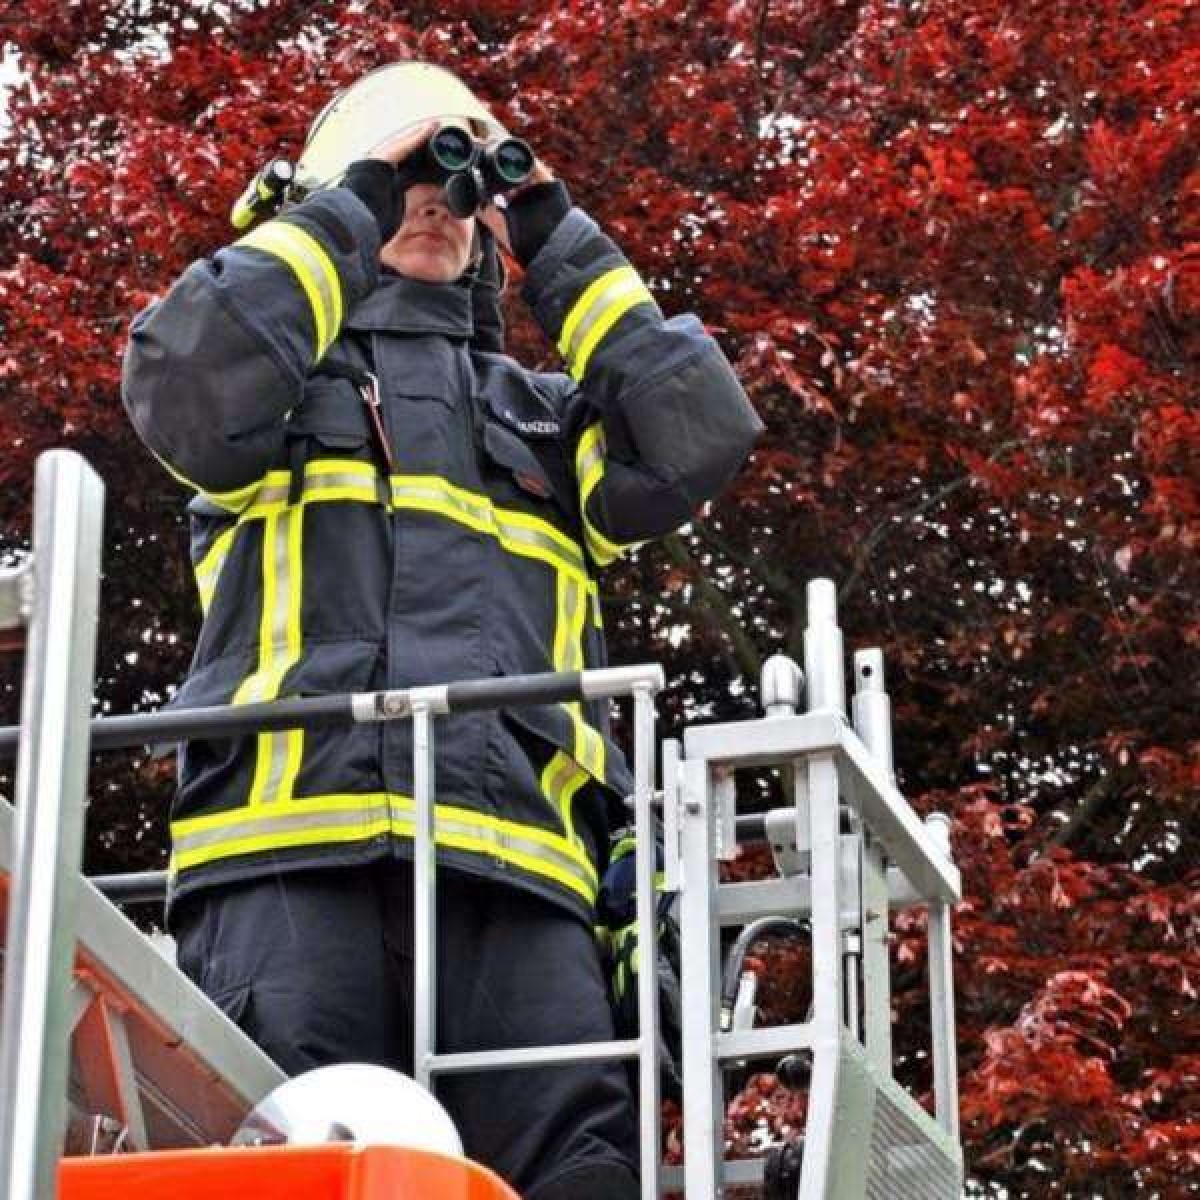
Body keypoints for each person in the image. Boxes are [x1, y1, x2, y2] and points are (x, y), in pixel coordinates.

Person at [122, 63, 761, 1199]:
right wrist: (354, 197)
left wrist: (553, 234)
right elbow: (188, 374)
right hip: (289, 863)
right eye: (405, 180)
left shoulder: (549, 423)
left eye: (456, 185)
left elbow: (696, 434)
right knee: (293, 1172)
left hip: (524, 873)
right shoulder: (265, 395)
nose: (435, 200)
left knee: (582, 1173)